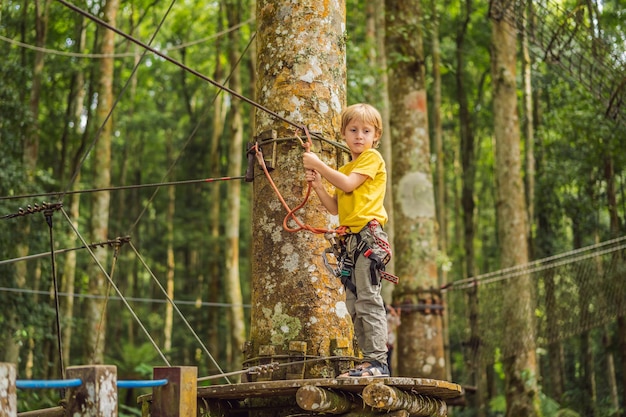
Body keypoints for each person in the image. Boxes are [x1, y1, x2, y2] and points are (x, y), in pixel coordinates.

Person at [303, 103, 392, 377]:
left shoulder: (372, 158)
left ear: (376, 136)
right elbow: (334, 207)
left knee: (368, 299)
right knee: (354, 302)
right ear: (343, 133)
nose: (359, 136)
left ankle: (379, 362)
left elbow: (348, 184)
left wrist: (319, 163)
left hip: (368, 237)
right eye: (353, 130)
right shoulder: (349, 166)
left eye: (366, 131)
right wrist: (318, 183)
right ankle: (368, 360)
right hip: (351, 241)